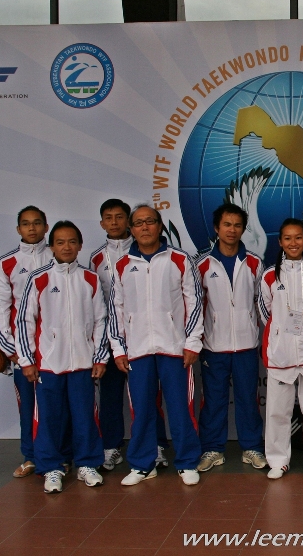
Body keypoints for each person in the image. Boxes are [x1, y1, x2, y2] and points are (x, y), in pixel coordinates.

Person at [109, 205, 204, 486]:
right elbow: (116, 308)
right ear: (131, 229)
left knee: (180, 408)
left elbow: (194, 303)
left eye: (150, 221)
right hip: (137, 350)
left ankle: (187, 462)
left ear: (160, 226)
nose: (145, 227)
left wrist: (192, 342)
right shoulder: (122, 265)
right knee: (142, 410)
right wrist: (118, 349)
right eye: (138, 223)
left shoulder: (180, 260)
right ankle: (142, 464)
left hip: (174, 348)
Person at [16, 221, 108, 493]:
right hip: (48, 365)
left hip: (82, 363)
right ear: (51, 246)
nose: (66, 247)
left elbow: (101, 320)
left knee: (84, 416)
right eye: (60, 242)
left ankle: (87, 464)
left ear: (80, 245)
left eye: (71, 242)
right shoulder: (39, 278)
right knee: (48, 418)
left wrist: (100, 357)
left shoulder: (90, 278)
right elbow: (25, 321)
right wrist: (27, 360)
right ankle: (52, 468)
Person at [89, 199, 169, 472]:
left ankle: (156, 445)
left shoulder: (144, 252)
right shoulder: (97, 258)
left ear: (130, 222)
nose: (114, 222)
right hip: (109, 337)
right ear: (102, 223)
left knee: (148, 396)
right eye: (108, 218)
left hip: (141, 336)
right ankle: (111, 447)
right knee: (111, 395)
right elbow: (97, 301)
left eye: (120, 217)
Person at [195, 204, 266, 471]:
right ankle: (212, 449)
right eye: (227, 224)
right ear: (217, 228)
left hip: (247, 345)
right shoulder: (202, 264)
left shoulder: (255, 263)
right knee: (213, 400)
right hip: (214, 346)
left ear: (243, 229)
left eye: (237, 225)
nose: (232, 230)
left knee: (249, 399)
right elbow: (195, 305)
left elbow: (263, 303)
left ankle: (252, 448)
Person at [258, 219, 303, 481]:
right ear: (280, 242)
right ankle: (278, 460)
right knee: (278, 410)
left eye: (298, 238)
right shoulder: (269, 275)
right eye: (287, 238)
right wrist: (279, 335)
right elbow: (266, 312)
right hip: (280, 353)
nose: (293, 243)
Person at [0, 206, 54, 478]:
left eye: (37, 223)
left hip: (54, 348)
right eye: (26, 224)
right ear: (18, 229)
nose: (32, 228)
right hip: (23, 350)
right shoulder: (7, 263)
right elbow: (1, 308)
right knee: (27, 405)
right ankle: (30, 456)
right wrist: (12, 350)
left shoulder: (58, 254)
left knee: (55, 404)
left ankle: (59, 455)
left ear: (46, 226)